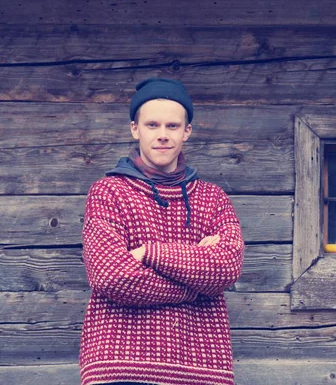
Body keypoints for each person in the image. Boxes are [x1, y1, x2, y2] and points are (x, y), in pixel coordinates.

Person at [79, 78, 245, 385]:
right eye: (152, 125)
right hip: (120, 366)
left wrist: (147, 253)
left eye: (172, 126)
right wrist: (195, 285)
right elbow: (111, 276)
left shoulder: (213, 198)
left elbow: (227, 266)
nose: (162, 136)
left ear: (187, 131)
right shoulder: (108, 192)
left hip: (199, 365)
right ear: (135, 129)